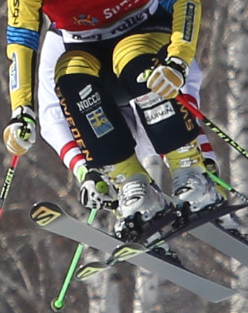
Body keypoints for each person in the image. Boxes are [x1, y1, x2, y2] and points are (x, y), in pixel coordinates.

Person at [2, 0, 218, 231]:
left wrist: (177, 60)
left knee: (135, 65)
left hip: (144, 30)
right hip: (84, 44)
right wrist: (21, 110)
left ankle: (190, 171)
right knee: (70, 80)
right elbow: (21, 39)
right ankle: (134, 185)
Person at [36, 26, 215, 216]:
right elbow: (52, 116)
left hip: (156, 115)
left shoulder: (135, 9)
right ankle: (137, 213)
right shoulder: (60, 37)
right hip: (111, 129)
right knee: (84, 106)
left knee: (153, 96)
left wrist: (202, 152)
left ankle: (209, 198)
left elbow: (184, 79)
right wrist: (86, 169)